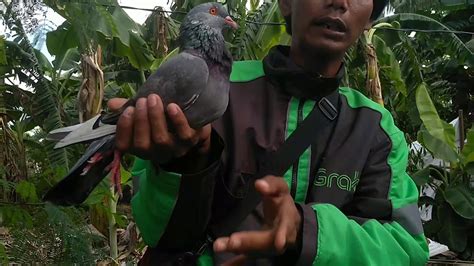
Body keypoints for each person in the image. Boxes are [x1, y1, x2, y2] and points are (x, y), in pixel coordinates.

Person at [108, 0, 429, 265]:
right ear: (287, 4)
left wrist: (305, 231)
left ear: (370, 17)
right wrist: (180, 164)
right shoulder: (214, 87)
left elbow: (406, 248)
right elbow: (158, 233)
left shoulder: (375, 128)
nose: (339, 3)